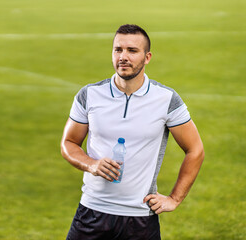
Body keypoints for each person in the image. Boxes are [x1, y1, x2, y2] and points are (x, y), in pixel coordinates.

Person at [60, 24, 205, 240]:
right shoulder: (89, 95)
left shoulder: (166, 99)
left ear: (147, 57)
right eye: (118, 49)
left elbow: (195, 150)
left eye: (132, 51)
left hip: (140, 218)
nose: (123, 57)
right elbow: (69, 143)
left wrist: (174, 199)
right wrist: (92, 164)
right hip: (91, 211)